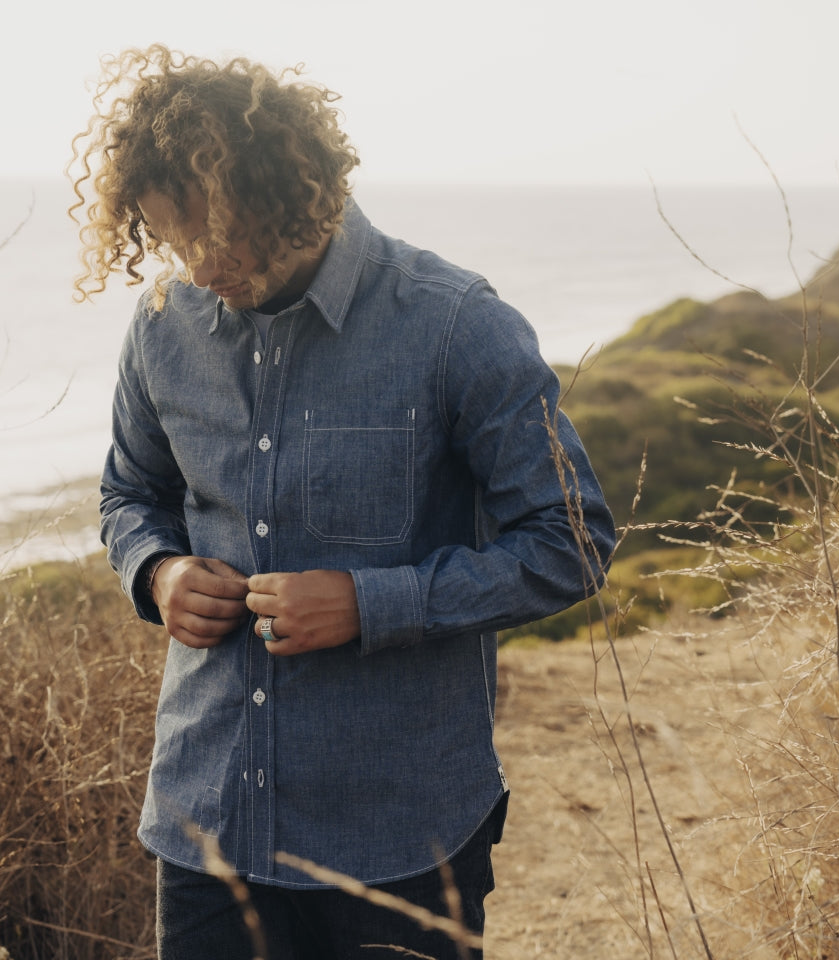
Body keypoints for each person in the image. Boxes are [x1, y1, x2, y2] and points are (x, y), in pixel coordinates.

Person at [71, 45, 615, 960]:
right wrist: (155, 571)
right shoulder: (163, 324)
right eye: (170, 240)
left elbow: (571, 540)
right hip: (205, 822)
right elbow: (130, 493)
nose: (196, 267)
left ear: (289, 192)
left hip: (401, 837)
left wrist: (370, 604)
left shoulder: (454, 324)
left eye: (213, 236)